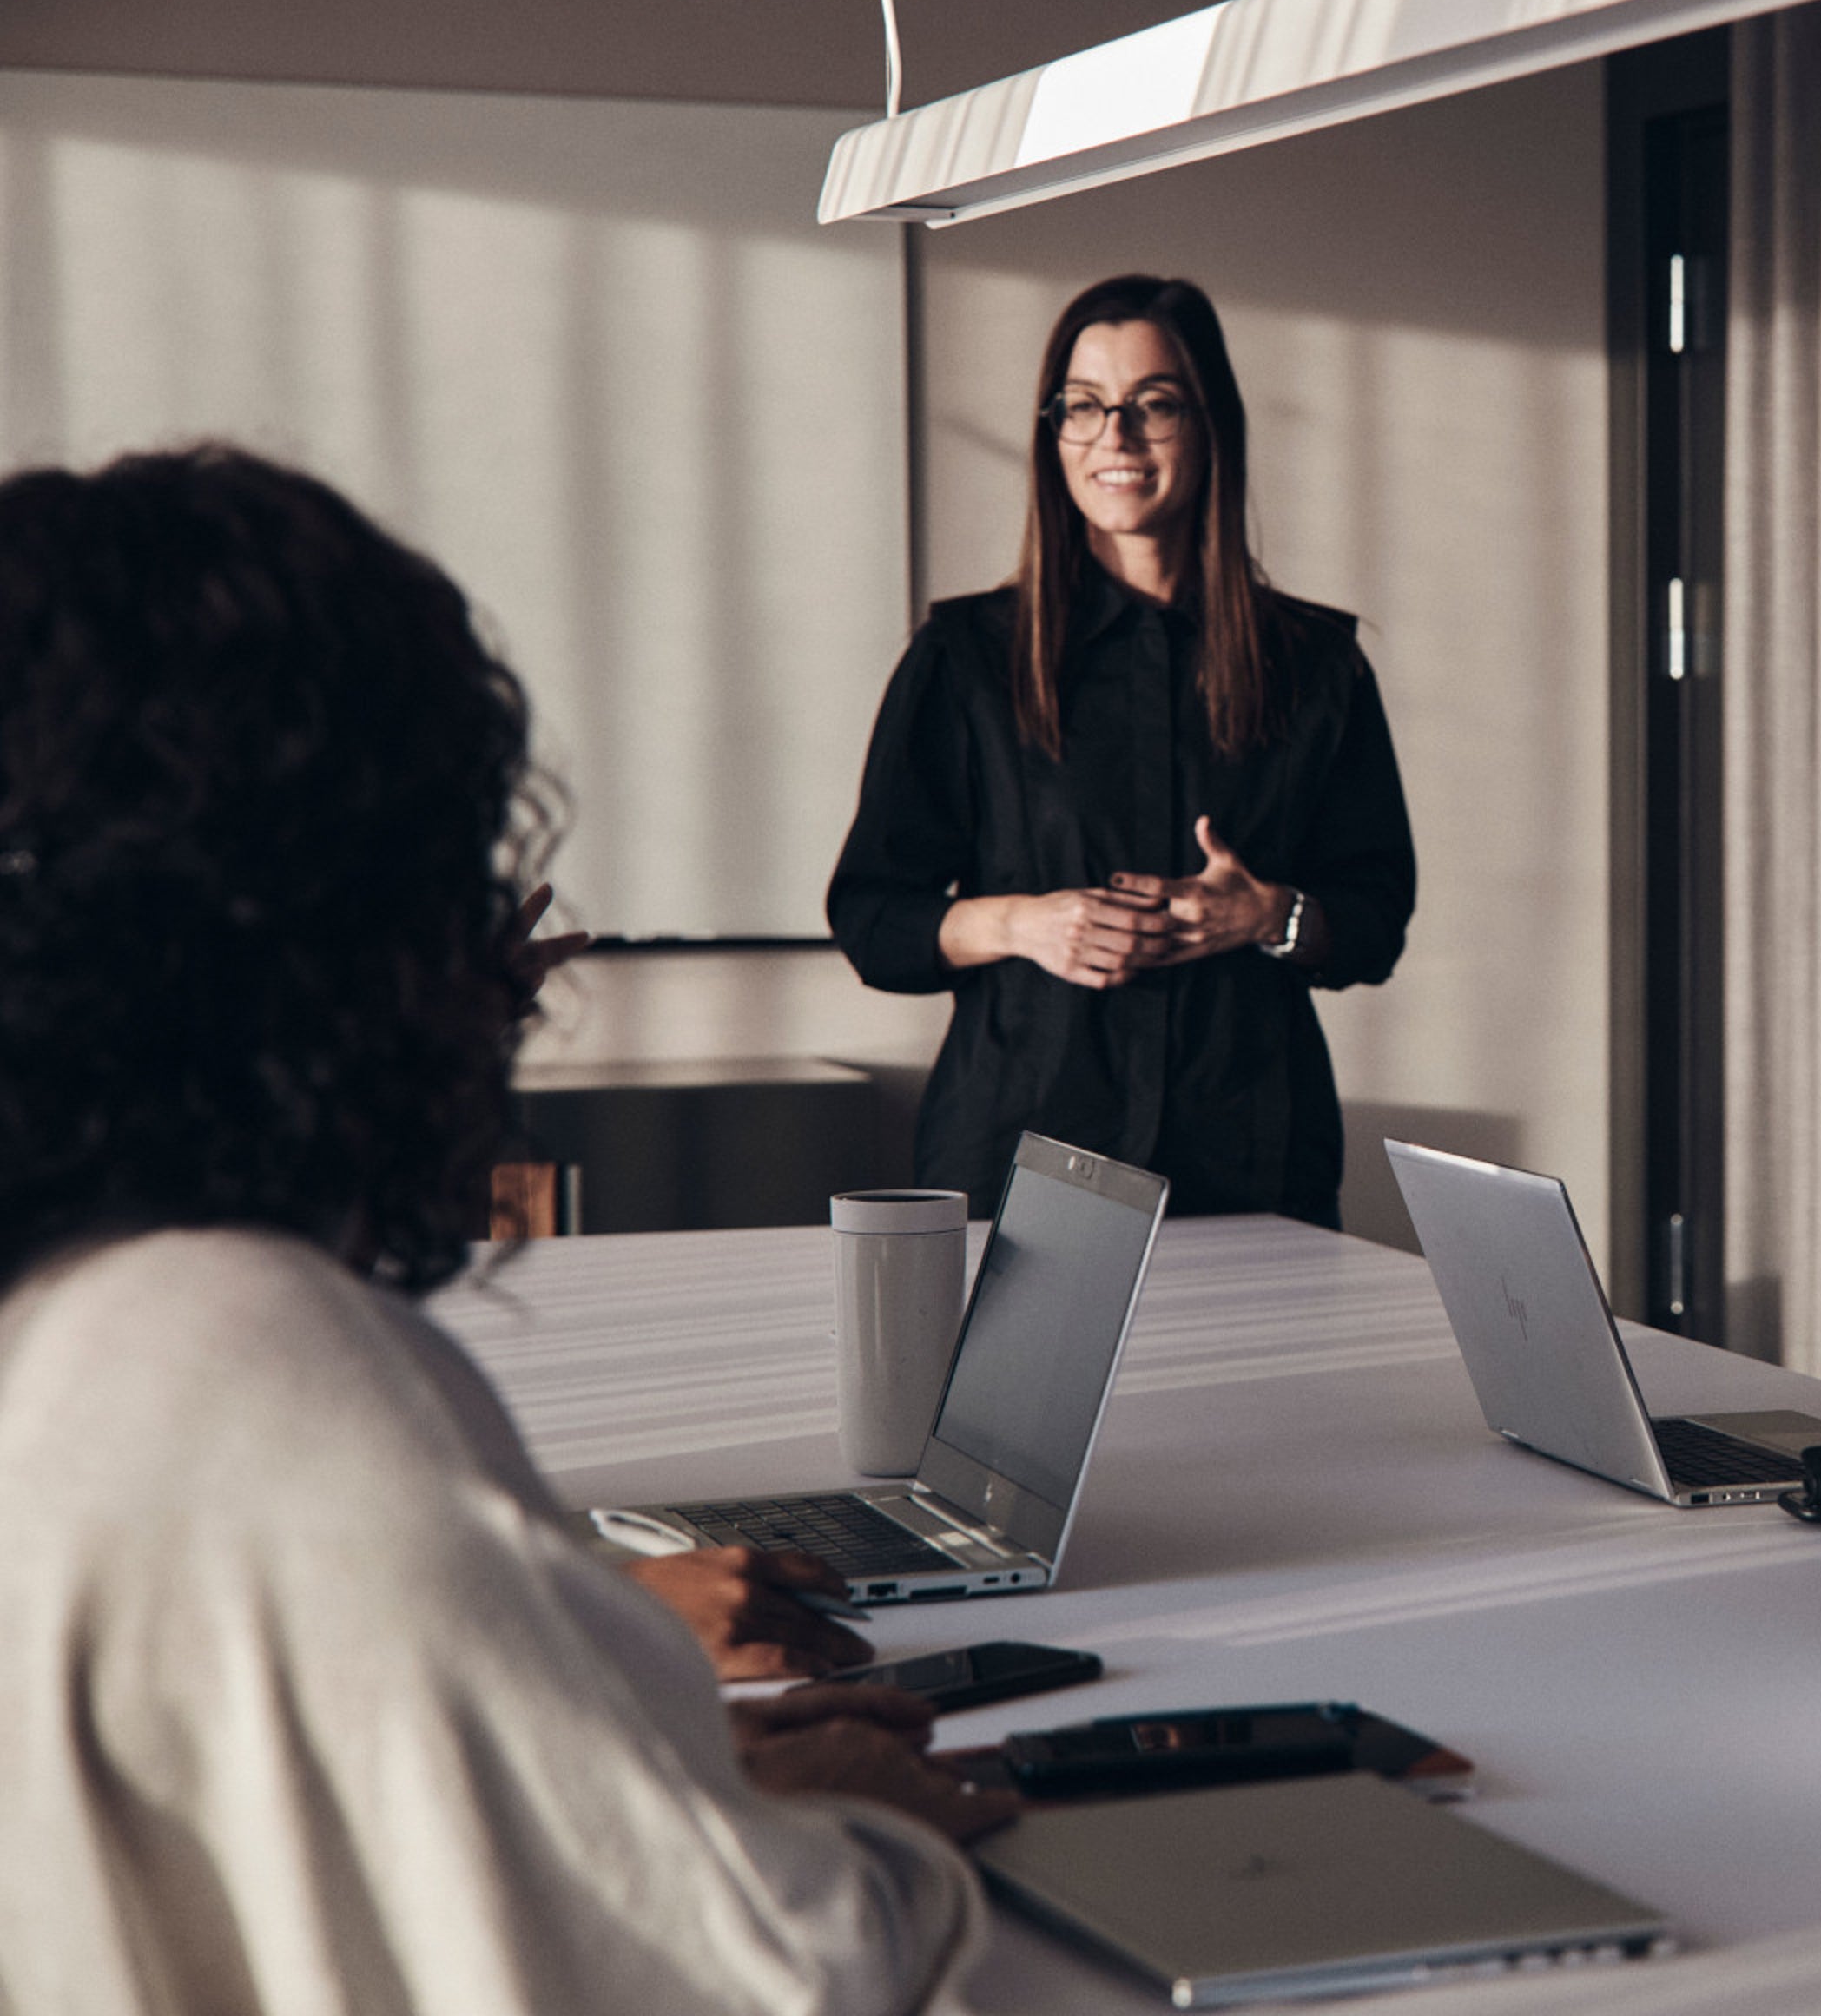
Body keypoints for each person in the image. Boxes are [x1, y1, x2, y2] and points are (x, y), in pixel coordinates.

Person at [0, 447, 1015, 2011]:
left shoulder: (63, 1322)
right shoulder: (246, 1353)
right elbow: (771, 1979)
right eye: (459, 876)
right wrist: (861, 1838)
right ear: (331, 927)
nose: (505, 966)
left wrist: (612, 1768)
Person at [831, 275, 1415, 1226]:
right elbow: (871, 915)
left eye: (1154, 404)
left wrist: (1269, 913)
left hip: (1252, 1165)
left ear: (1210, 422)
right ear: (1052, 429)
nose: (1116, 435)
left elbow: (1376, 918)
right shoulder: (965, 658)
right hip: (1019, 1160)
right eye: (1085, 405)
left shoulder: (1318, 665)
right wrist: (1023, 924)